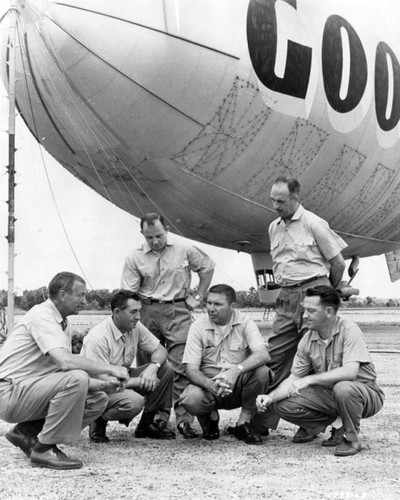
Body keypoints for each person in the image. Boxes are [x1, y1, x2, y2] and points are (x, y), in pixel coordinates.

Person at [0, 272, 129, 470]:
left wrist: (104, 384)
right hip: (8, 392)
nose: (85, 301)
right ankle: (44, 449)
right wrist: (112, 368)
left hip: (27, 390)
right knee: (77, 377)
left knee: (98, 399)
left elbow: (60, 374)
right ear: (62, 295)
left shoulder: (62, 322)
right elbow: (66, 363)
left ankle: (25, 432)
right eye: (81, 295)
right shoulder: (42, 316)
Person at [252, 177, 348, 435]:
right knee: (278, 356)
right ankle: (262, 422)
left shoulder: (314, 223)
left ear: (296, 198)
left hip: (313, 291)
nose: (275, 205)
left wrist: (327, 294)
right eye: (272, 200)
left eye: (281, 201)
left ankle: (322, 424)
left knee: (317, 360)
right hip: (286, 295)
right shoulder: (274, 227)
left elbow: (338, 264)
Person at [256, 286, 385, 456]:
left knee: (343, 388)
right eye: (304, 310)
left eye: (310, 311)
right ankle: (338, 424)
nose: (304, 316)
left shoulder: (349, 329)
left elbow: (350, 372)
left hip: (364, 394)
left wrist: (309, 380)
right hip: (330, 395)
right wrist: (269, 397)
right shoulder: (307, 339)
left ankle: (352, 440)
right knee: (283, 405)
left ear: (329, 312)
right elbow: (294, 377)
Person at [121, 213, 215, 439]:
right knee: (152, 366)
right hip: (146, 310)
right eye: (149, 237)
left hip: (177, 309)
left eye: (159, 236)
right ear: (142, 234)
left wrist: (199, 296)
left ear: (167, 229)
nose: (155, 241)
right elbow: (128, 292)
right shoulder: (134, 257)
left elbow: (208, 266)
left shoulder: (185, 249)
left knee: (182, 365)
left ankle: (184, 420)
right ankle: (157, 419)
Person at [180, 284, 272, 444]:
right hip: (209, 386)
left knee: (262, 373)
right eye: (208, 303)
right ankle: (210, 419)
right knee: (190, 399)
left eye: (217, 304)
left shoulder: (245, 322)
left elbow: (263, 354)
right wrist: (210, 385)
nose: (211, 308)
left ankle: (243, 424)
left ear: (232, 306)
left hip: (237, 385)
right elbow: (191, 370)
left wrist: (235, 371)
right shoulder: (197, 327)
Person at [81, 290, 175, 442]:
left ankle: (146, 425)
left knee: (165, 369)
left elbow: (160, 350)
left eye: (139, 311)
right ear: (117, 312)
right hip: (97, 389)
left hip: (121, 378)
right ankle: (97, 419)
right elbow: (104, 381)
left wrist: (152, 368)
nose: (138, 317)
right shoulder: (98, 337)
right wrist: (139, 381)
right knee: (134, 402)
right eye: (133, 312)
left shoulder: (135, 326)